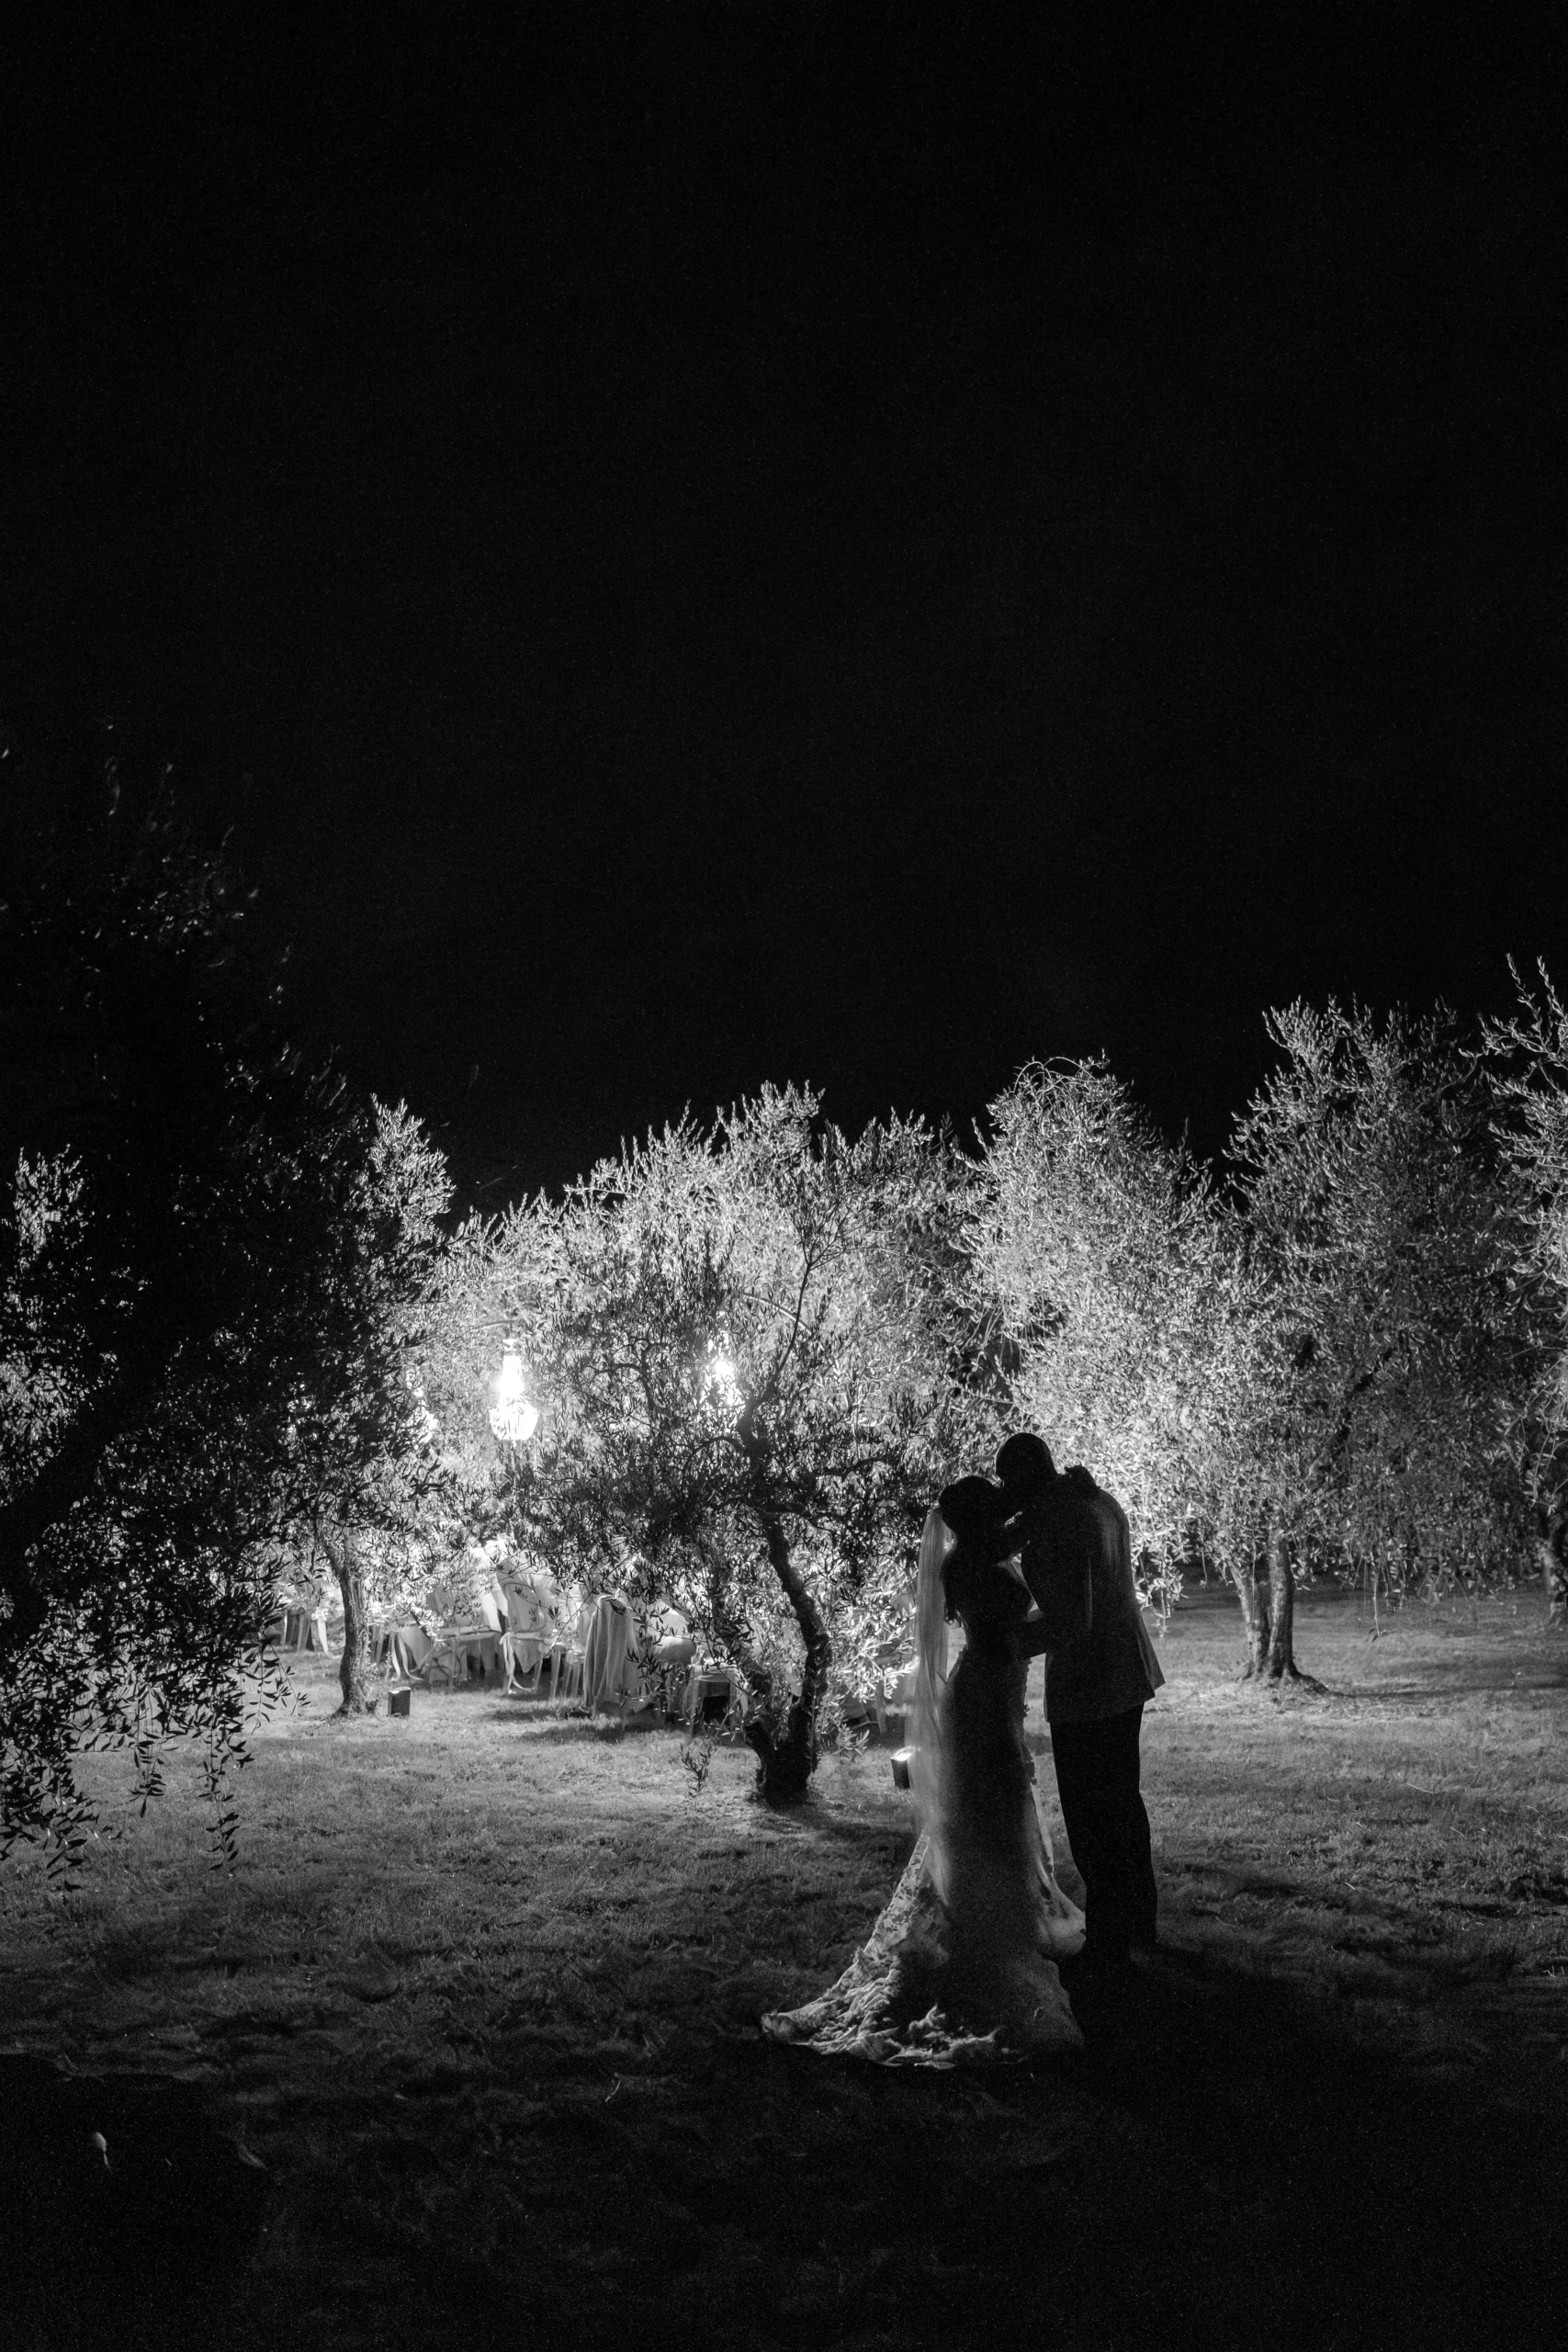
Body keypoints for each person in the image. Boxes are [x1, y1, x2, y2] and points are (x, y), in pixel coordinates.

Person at [761, 1475, 1083, 2064]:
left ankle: (998, 1922)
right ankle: (987, 1936)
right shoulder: (970, 1565)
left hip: (993, 1691)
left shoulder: (977, 1553)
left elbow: (1015, 1537)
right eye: (991, 1501)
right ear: (974, 1517)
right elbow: (1013, 1629)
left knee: (995, 1810)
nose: (1001, 1507)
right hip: (984, 1697)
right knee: (991, 1807)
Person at [996, 1432, 1163, 2003]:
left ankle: (1111, 1940)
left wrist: (1007, 1642)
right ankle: (1139, 1921)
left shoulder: (1062, 1523)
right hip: (1126, 1670)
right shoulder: (1093, 1500)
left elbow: (1072, 1621)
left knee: (1092, 1815)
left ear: (1025, 1479)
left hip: (1091, 1682)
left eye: (1009, 1484)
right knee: (1122, 1802)